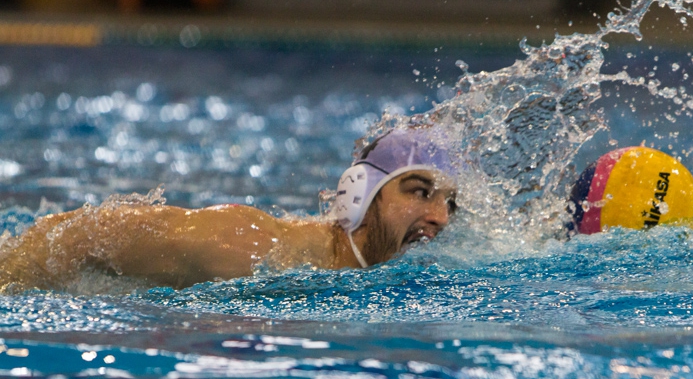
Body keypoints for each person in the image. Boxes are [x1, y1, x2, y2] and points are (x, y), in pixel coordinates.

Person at [0, 128, 457, 293]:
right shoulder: (247, 247)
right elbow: (77, 235)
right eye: (420, 192)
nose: (440, 216)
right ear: (360, 194)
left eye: (449, 202)